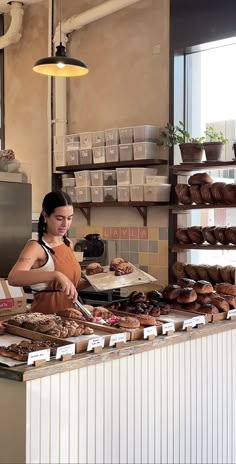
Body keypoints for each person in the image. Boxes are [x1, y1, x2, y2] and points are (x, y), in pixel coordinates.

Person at [8, 190, 88, 314]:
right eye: (59, 218)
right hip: (45, 320)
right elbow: (14, 278)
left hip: (69, 318)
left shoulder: (67, 243)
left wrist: (95, 278)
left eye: (69, 218)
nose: (65, 224)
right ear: (45, 216)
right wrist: (56, 275)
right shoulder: (36, 246)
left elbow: (70, 287)